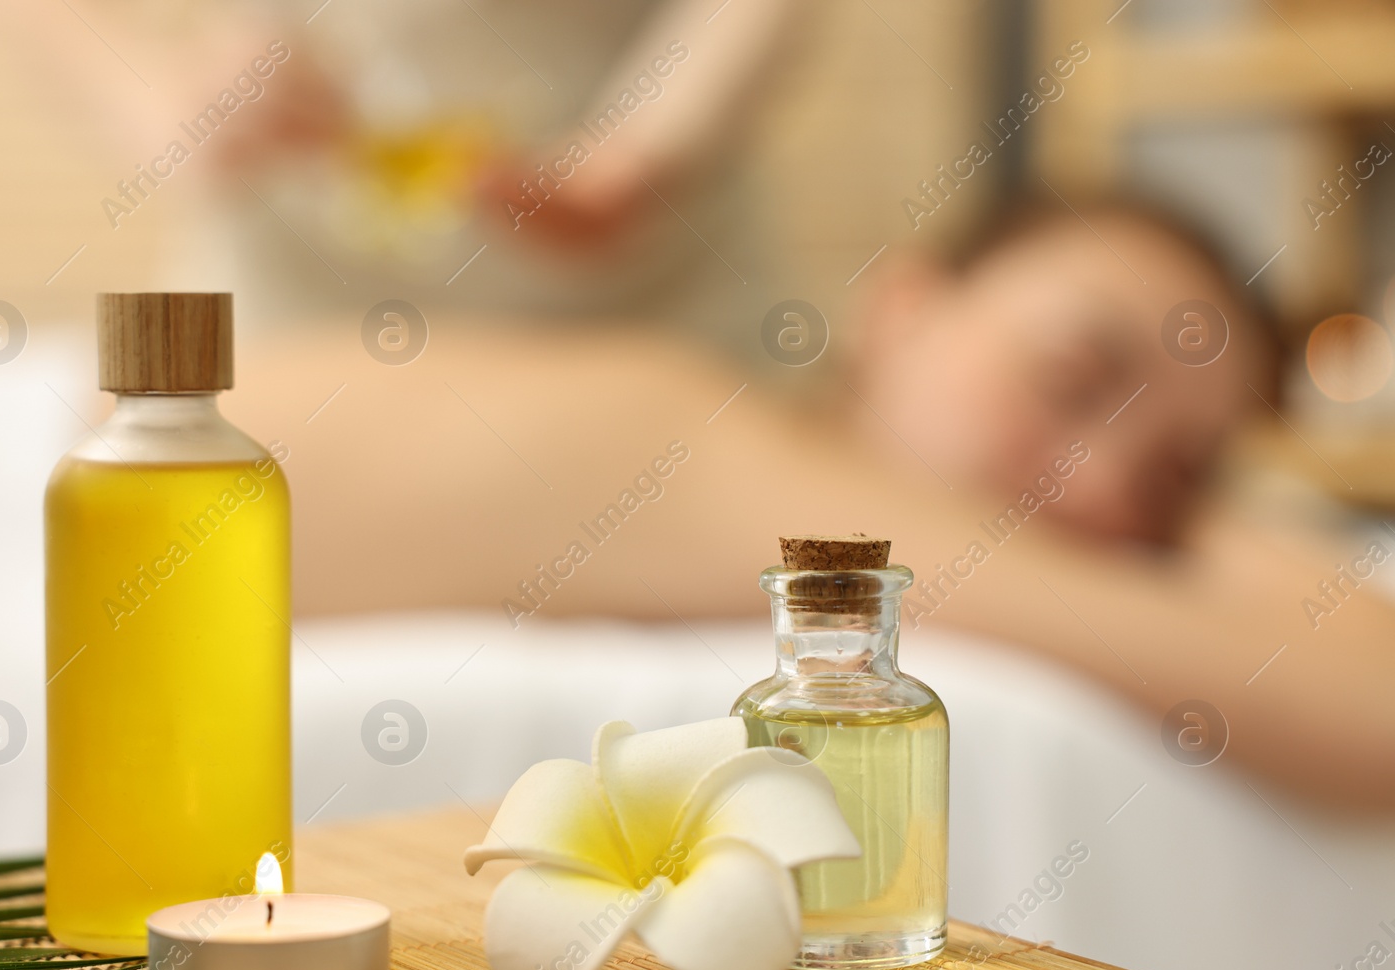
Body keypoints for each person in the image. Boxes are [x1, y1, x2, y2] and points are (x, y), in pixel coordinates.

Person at [223, 197, 1395, 810]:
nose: (1091, 484)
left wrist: (1195, 520)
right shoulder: (693, 442)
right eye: (1071, 381)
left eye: (1171, 479)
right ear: (902, 310)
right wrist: (1193, 525)